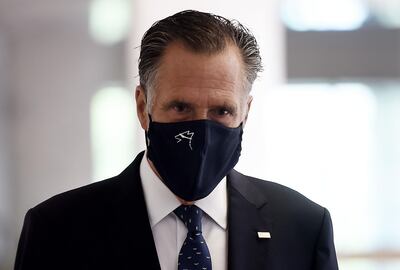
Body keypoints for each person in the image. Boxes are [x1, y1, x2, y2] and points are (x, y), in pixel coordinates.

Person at [14, 10, 338, 270]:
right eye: (181, 107)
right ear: (143, 107)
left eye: (222, 110)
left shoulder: (302, 227)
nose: (202, 131)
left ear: (245, 113)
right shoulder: (57, 231)